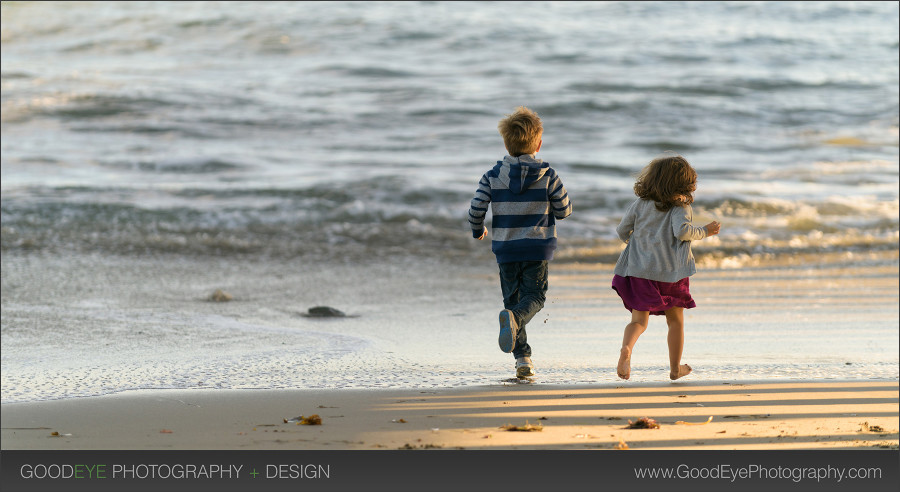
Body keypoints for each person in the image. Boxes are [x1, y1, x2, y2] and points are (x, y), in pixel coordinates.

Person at [468, 106, 572, 378]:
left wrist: (478, 230)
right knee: (534, 297)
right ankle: (517, 335)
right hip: (536, 247)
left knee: (513, 300)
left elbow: (476, 207)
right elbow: (564, 210)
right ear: (539, 143)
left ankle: (523, 360)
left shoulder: (492, 175)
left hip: (505, 249)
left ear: (506, 143)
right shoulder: (548, 175)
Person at [611, 154, 720, 381]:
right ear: (684, 184)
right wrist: (705, 231)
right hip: (672, 273)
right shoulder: (681, 206)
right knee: (676, 321)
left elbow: (622, 231)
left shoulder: (639, 204)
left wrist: (639, 245)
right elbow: (682, 231)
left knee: (638, 321)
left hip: (640, 271)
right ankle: (674, 368)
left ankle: (627, 349)